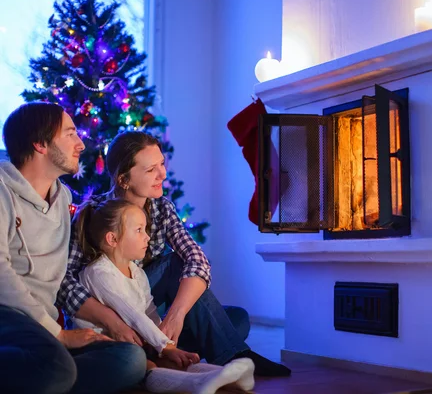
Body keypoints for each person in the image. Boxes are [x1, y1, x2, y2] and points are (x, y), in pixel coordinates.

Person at [58, 130, 291, 377]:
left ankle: (163, 351)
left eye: (161, 164)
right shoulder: (93, 214)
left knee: (237, 319)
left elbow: (197, 259)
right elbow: (64, 282)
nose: (163, 174)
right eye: (151, 170)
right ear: (124, 179)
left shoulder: (161, 208)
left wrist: (175, 316)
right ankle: (228, 355)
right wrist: (112, 321)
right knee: (173, 265)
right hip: (108, 315)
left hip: (149, 309)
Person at [0, 102, 147, 393]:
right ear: (40, 144)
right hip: (8, 317)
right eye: (69, 134)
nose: (80, 144)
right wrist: (59, 334)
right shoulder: (3, 192)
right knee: (57, 367)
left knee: (131, 359)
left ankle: (48, 378)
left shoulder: (63, 197)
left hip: (43, 327)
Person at [71, 198, 256, 393]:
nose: (147, 237)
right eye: (139, 230)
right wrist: (166, 347)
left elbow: (149, 311)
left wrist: (161, 346)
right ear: (113, 239)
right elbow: (133, 316)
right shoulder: (99, 274)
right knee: (144, 361)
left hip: (139, 339)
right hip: (105, 345)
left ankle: (223, 375)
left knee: (163, 358)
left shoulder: (137, 271)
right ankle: (198, 382)